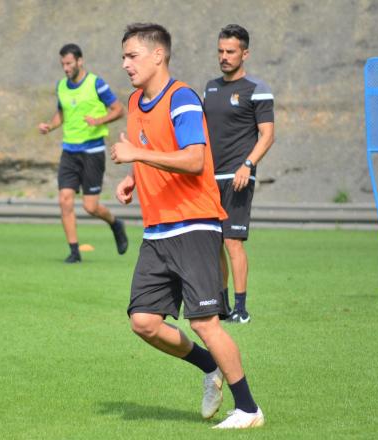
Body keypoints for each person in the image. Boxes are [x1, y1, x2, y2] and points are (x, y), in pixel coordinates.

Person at [111, 22, 264, 429]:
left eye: (132, 55)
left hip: (194, 225)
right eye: (124, 57)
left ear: (158, 55)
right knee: (143, 321)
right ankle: (209, 366)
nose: (125, 64)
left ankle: (248, 409)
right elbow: (148, 150)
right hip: (157, 230)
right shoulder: (133, 102)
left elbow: (195, 158)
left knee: (204, 322)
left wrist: (138, 159)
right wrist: (133, 177)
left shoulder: (182, 99)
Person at [203, 24, 275, 324]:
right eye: (220, 51)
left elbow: (267, 135)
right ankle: (221, 305)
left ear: (244, 53)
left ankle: (241, 309)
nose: (224, 56)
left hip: (238, 176)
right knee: (214, 242)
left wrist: (247, 165)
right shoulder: (210, 87)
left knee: (233, 242)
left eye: (230, 51)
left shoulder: (257, 89)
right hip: (208, 178)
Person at [39, 43, 128, 263]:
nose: (66, 68)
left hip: (92, 151)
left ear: (80, 61)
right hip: (69, 152)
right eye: (63, 64)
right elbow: (62, 114)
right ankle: (74, 251)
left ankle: (115, 223)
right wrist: (50, 126)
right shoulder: (61, 86)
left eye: (69, 63)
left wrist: (98, 121)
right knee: (65, 200)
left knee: (90, 206)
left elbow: (119, 109)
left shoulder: (96, 83)